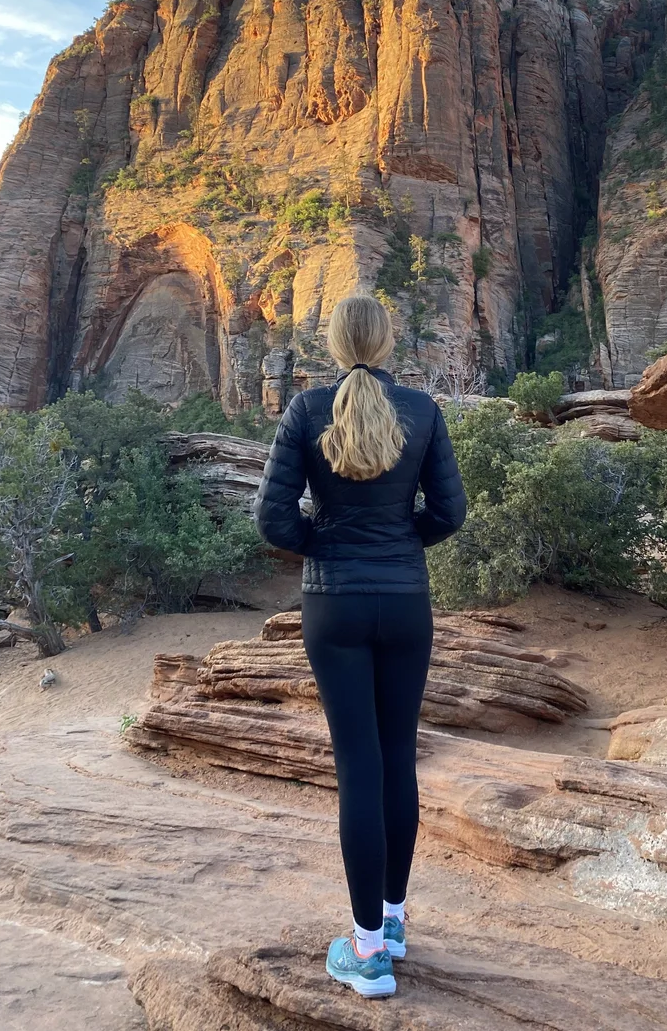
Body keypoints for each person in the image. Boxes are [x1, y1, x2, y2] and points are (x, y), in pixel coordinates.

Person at [254, 294, 467, 999]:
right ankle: (394, 921)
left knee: (358, 767)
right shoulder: (424, 410)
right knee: (397, 756)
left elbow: (274, 518)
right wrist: (402, 546)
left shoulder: (307, 410)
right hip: (405, 601)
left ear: (334, 343)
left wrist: (329, 547)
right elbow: (450, 512)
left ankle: (368, 950)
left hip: (335, 605)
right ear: (389, 340)